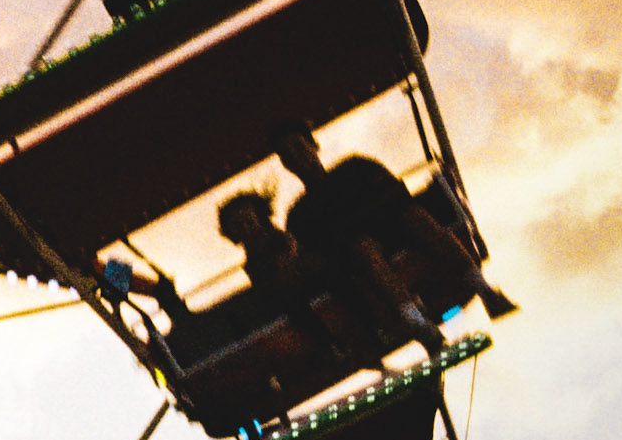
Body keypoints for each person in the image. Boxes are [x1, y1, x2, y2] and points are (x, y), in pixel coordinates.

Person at [273, 124, 516, 359]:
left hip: (394, 230)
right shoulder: (300, 213)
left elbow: (396, 195)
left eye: (298, 147)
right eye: (288, 155)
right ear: (286, 165)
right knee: (364, 248)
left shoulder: (356, 168)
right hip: (356, 258)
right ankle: (419, 326)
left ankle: (484, 289)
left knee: (415, 217)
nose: (297, 157)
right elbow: (315, 254)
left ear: (313, 145)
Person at [217, 190, 352, 358]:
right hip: (289, 291)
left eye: (249, 222)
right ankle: (331, 345)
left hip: (309, 276)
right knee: (291, 304)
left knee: (333, 275)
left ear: (260, 219)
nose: (245, 229)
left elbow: (295, 251)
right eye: (238, 226)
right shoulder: (252, 263)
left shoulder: (280, 238)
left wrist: (291, 258)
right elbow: (267, 287)